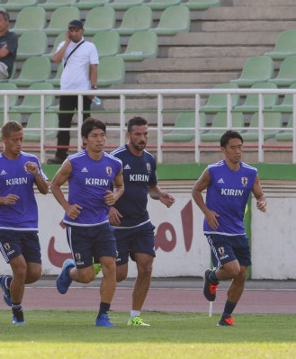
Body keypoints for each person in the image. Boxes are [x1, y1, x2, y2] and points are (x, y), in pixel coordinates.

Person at [51, 118, 124, 327]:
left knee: (111, 267)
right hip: (78, 227)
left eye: (102, 135)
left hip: (102, 225)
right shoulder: (73, 162)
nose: (100, 140)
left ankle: (103, 315)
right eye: (94, 136)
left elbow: (120, 186)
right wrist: (67, 207)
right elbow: (54, 185)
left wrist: (115, 197)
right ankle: (69, 270)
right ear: (85, 139)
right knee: (86, 276)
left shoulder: (114, 163)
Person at [192, 130, 267, 327]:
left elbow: (260, 194)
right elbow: (196, 190)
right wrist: (207, 212)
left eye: (240, 147)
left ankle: (226, 316)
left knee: (241, 273)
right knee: (233, 269)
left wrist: (262, 202)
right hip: (216, 228)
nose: (237, 151)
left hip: (238, 230)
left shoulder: (250, 173)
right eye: (233, 147)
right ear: (223, 149)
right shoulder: (213, 171)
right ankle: (211, 276)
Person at [0, 120, 48, 325]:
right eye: (14, 140)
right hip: (5, 225)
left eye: (21, 139)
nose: (19, 143)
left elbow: (45, 190)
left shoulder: (31, 161)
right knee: (20, 269)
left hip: (29, 225)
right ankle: (17, 313)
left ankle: (7, 283)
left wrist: (36, 173)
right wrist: (2, 200)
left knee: (34, 273)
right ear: (4, 140)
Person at [109, 117, 175, 327]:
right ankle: (94, 265)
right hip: (118, 226)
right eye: (138, 134)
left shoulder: (149, 160)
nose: (143, 138)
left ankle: (135, 316)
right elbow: (101, 187)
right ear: (128, 135)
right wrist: (108, 208)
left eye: (145, 134)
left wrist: (161, 195)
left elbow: (151, 187)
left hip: (141, 224)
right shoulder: (116, 159)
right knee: (119, 275)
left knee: (146, 267)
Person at [47, 19, 99, 165]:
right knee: (64, 123)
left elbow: (94, 68)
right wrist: (67, 42)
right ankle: (61, 153)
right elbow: (56, 58)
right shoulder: (64, 45)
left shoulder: (90, 46)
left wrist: (93, 87)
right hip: (66, 90)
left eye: (76, 30)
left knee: (86, 123)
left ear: (82, 30)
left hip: (83, 90)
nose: (74, 33)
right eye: (72, 30)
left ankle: (87, 151)